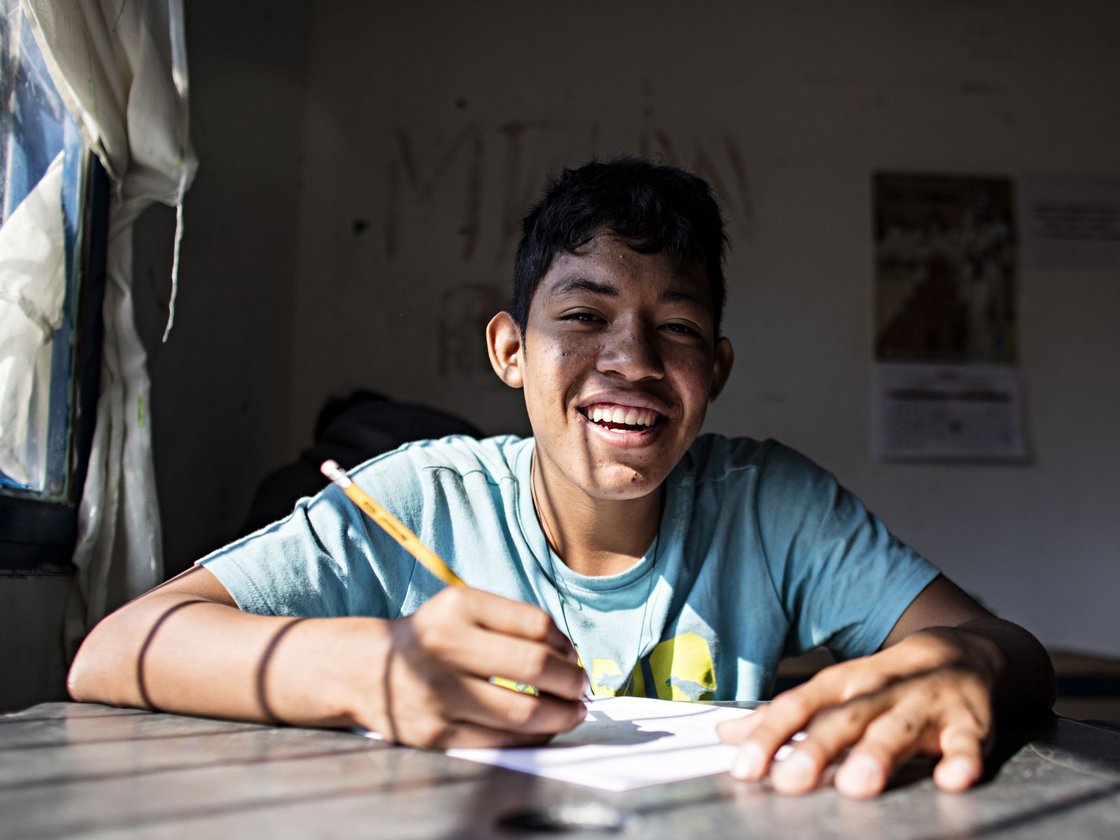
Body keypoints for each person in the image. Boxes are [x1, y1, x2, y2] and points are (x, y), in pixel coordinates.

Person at [67, 157, 1054, 799]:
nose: (629, 360)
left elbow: (1004, 647)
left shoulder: (770, 505)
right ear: (508, 350)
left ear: (714, 370)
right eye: (583, 317)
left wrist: (964, 667)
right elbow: (114, 651)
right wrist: (374, 670)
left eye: (675, 328)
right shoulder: (418, 494)